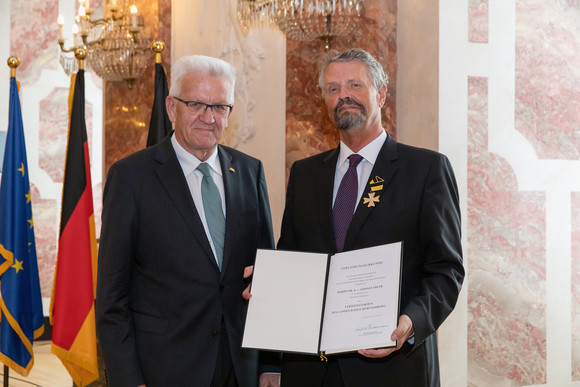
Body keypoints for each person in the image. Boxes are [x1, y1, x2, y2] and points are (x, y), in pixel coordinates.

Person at [276, 48, 464, 386]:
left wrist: (412, 321)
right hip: (311, 370)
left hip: (392, 367)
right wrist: (269, 282)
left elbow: (446, 268)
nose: (343, 95)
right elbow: (293, 258)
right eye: (333, 89)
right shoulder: (304, 174)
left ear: (381, 94)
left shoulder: (425, 170)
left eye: (354, 85)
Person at [96, 54, 274, 387]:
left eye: (220, 107)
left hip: (241, 366)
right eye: (196, 104)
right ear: (171, 107)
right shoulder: (132, 177)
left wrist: (271, 366)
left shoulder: (250, 171)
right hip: (164, 368)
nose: (209, 118)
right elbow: (111, 298)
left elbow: (266, 277)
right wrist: (127, 379)